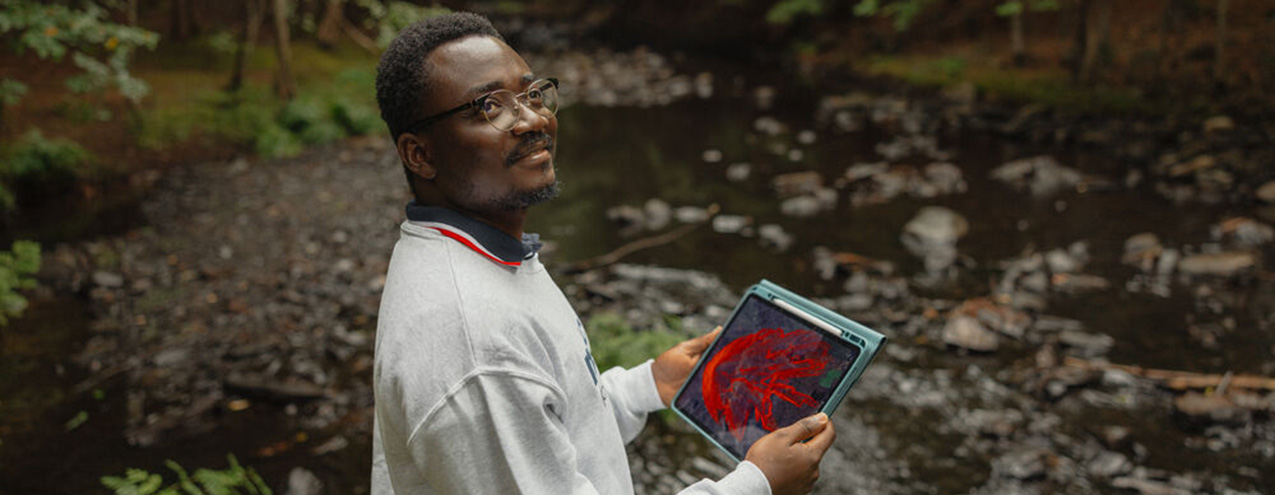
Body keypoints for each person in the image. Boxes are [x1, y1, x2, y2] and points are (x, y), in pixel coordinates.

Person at [371, 12, 836, 495]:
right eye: (489, 105)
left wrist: (648, 386)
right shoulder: (473, 339)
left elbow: (549, 435)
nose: (532, 119)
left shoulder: (486, 258)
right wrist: (758, 484)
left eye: (532, 94)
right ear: (419, 154)